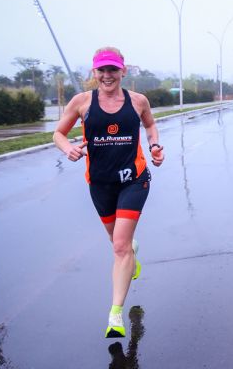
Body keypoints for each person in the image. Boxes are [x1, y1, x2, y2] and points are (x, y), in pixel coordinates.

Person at [53, 47, 164, 338]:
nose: (107, 75)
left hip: (134, 179)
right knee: (119, 243)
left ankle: (115, 315)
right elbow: (58, 133)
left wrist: (154, 146)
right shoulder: (82, 102)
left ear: (122, 71)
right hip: (100, 184)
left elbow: (150, 125)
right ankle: (132, 254)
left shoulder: (138, 101)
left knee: (119, 247)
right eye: (101, 70)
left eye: (112, 69)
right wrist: (69, 149)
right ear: (94, 73)